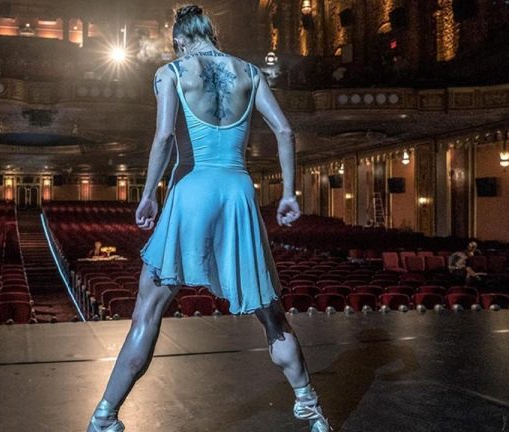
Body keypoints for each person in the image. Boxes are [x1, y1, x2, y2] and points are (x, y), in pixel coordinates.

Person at [86, 5, 330, 432]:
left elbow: (164, 137)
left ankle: (105, 414)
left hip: (193, 191)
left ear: (179, 39)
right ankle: (311, 409)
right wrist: (289, 193)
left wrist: (147, 196)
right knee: (271, 312)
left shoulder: (172, 71)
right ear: (212, 34)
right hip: (237, 193)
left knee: (148, 312)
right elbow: (286, 132)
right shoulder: (250, 72)